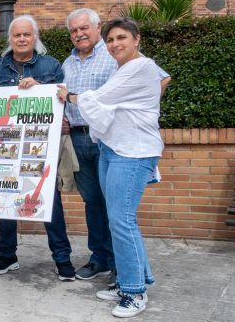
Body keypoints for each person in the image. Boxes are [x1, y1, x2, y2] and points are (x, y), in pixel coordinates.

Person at [57, 17, 163, 318]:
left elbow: (99, 98)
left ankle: (134, 292)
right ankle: (134, 281)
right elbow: (104, 105)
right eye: (112, 39)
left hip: (132, 153)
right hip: (112, 148)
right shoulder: (123, 67)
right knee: (121, 219)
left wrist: (70, 96)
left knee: (121, 220)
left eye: (121, 38)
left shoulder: (141, 67)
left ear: (137, 39)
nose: (116, 44)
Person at [0, 15, 76, 281]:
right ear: (9, 39)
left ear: (35, 37)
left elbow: (60, 101)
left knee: (49, 201)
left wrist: (39, 89)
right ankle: (7, 255)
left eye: (26, 35)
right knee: (5, 199)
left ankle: (62, 258)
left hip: (39, 147)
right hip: (5, 147)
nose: (21, 39)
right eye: (16, 35)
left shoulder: (51, 65)